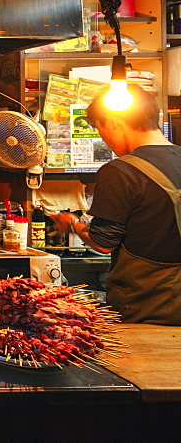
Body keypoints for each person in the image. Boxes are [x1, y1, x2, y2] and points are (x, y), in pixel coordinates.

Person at [53, 86, 181, 325]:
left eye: (101, 131)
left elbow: (103, 243)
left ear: (112, 121)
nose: (106, 141)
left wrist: (72, 224)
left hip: (146, 306)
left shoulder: (121, 171)